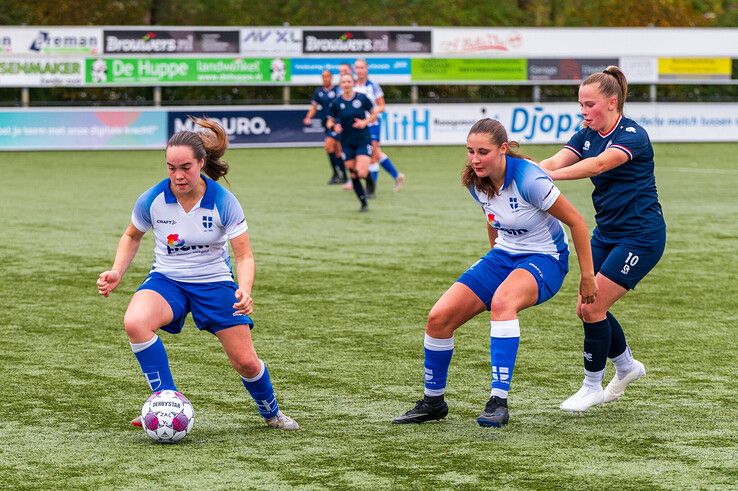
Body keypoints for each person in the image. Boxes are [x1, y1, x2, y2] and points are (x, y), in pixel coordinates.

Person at [96, 118, 299, 430]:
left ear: (201, 163)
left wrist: (244, 289)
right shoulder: (152, 199)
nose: (178, 176)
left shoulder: (222, 201)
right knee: (135, 322)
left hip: (214, 281)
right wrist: (116, 271)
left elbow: (244, 255)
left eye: (185, 167)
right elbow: (131, 236)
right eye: (171, 167)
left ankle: (271, 412)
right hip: (168, 279)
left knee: (245, 361)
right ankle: (164, 403)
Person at [393, 118, 596, 427]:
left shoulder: (531, 180)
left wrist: (587, 276)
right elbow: (493, 218)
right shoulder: (477, 182)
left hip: (547, 259)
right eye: (470, 151)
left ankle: (498, 402)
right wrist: (494, 258)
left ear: (503, 149)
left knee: (503, 302)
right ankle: (433, 402)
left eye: (483, 152)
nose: (475, 159)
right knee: (438, 318)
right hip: (504, 255)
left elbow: (578, 223)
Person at [539, 65, 666, 413]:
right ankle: (627, 367)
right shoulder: (587, 131)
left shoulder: (631, 135)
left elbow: (595, 166)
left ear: (612, 102)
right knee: (585, 306)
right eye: (580, 104)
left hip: (641, 237)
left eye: (590, 105)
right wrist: (524, 170)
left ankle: (591, 387)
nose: (584, 112)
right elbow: (555, 160)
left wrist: (548, 176)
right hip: (608, 232)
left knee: (593, 306)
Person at [353, 58, 406, 194]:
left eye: (362, 68)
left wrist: (371, 112)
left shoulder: (373, 86)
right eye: (357, 68)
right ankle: (397, 176)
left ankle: (372, 187)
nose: (359, 70)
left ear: (366, 69)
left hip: (372, 123)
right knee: (375, 152)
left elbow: (381, 106)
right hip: (358, 125)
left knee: (372, 154)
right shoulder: (352, 85)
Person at [327, 73, 378, 212]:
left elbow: (375, 113)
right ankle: (363, 203)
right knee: (353, 173)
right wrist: (333, 127)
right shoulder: (337, 102)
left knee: (361, 172)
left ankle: (370, 182)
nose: (346, 84)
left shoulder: (362, 98)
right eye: (344, 82)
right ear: (341, 85)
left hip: (363, 139)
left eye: (349, 81)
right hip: (346, 141)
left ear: (353, 83)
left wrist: (365, 122)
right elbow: (329, 121)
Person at [303, 69, 346, 185]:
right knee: (332, 149)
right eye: (323, 76)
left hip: (338, 123)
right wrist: (308, 117)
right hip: (327, 124)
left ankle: (342, 175)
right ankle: (339, 174)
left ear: (331, 77)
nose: (325, 78)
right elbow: (314, 107)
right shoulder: (319, 92)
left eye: (327, 76)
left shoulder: (338, 90)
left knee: (335, 149)